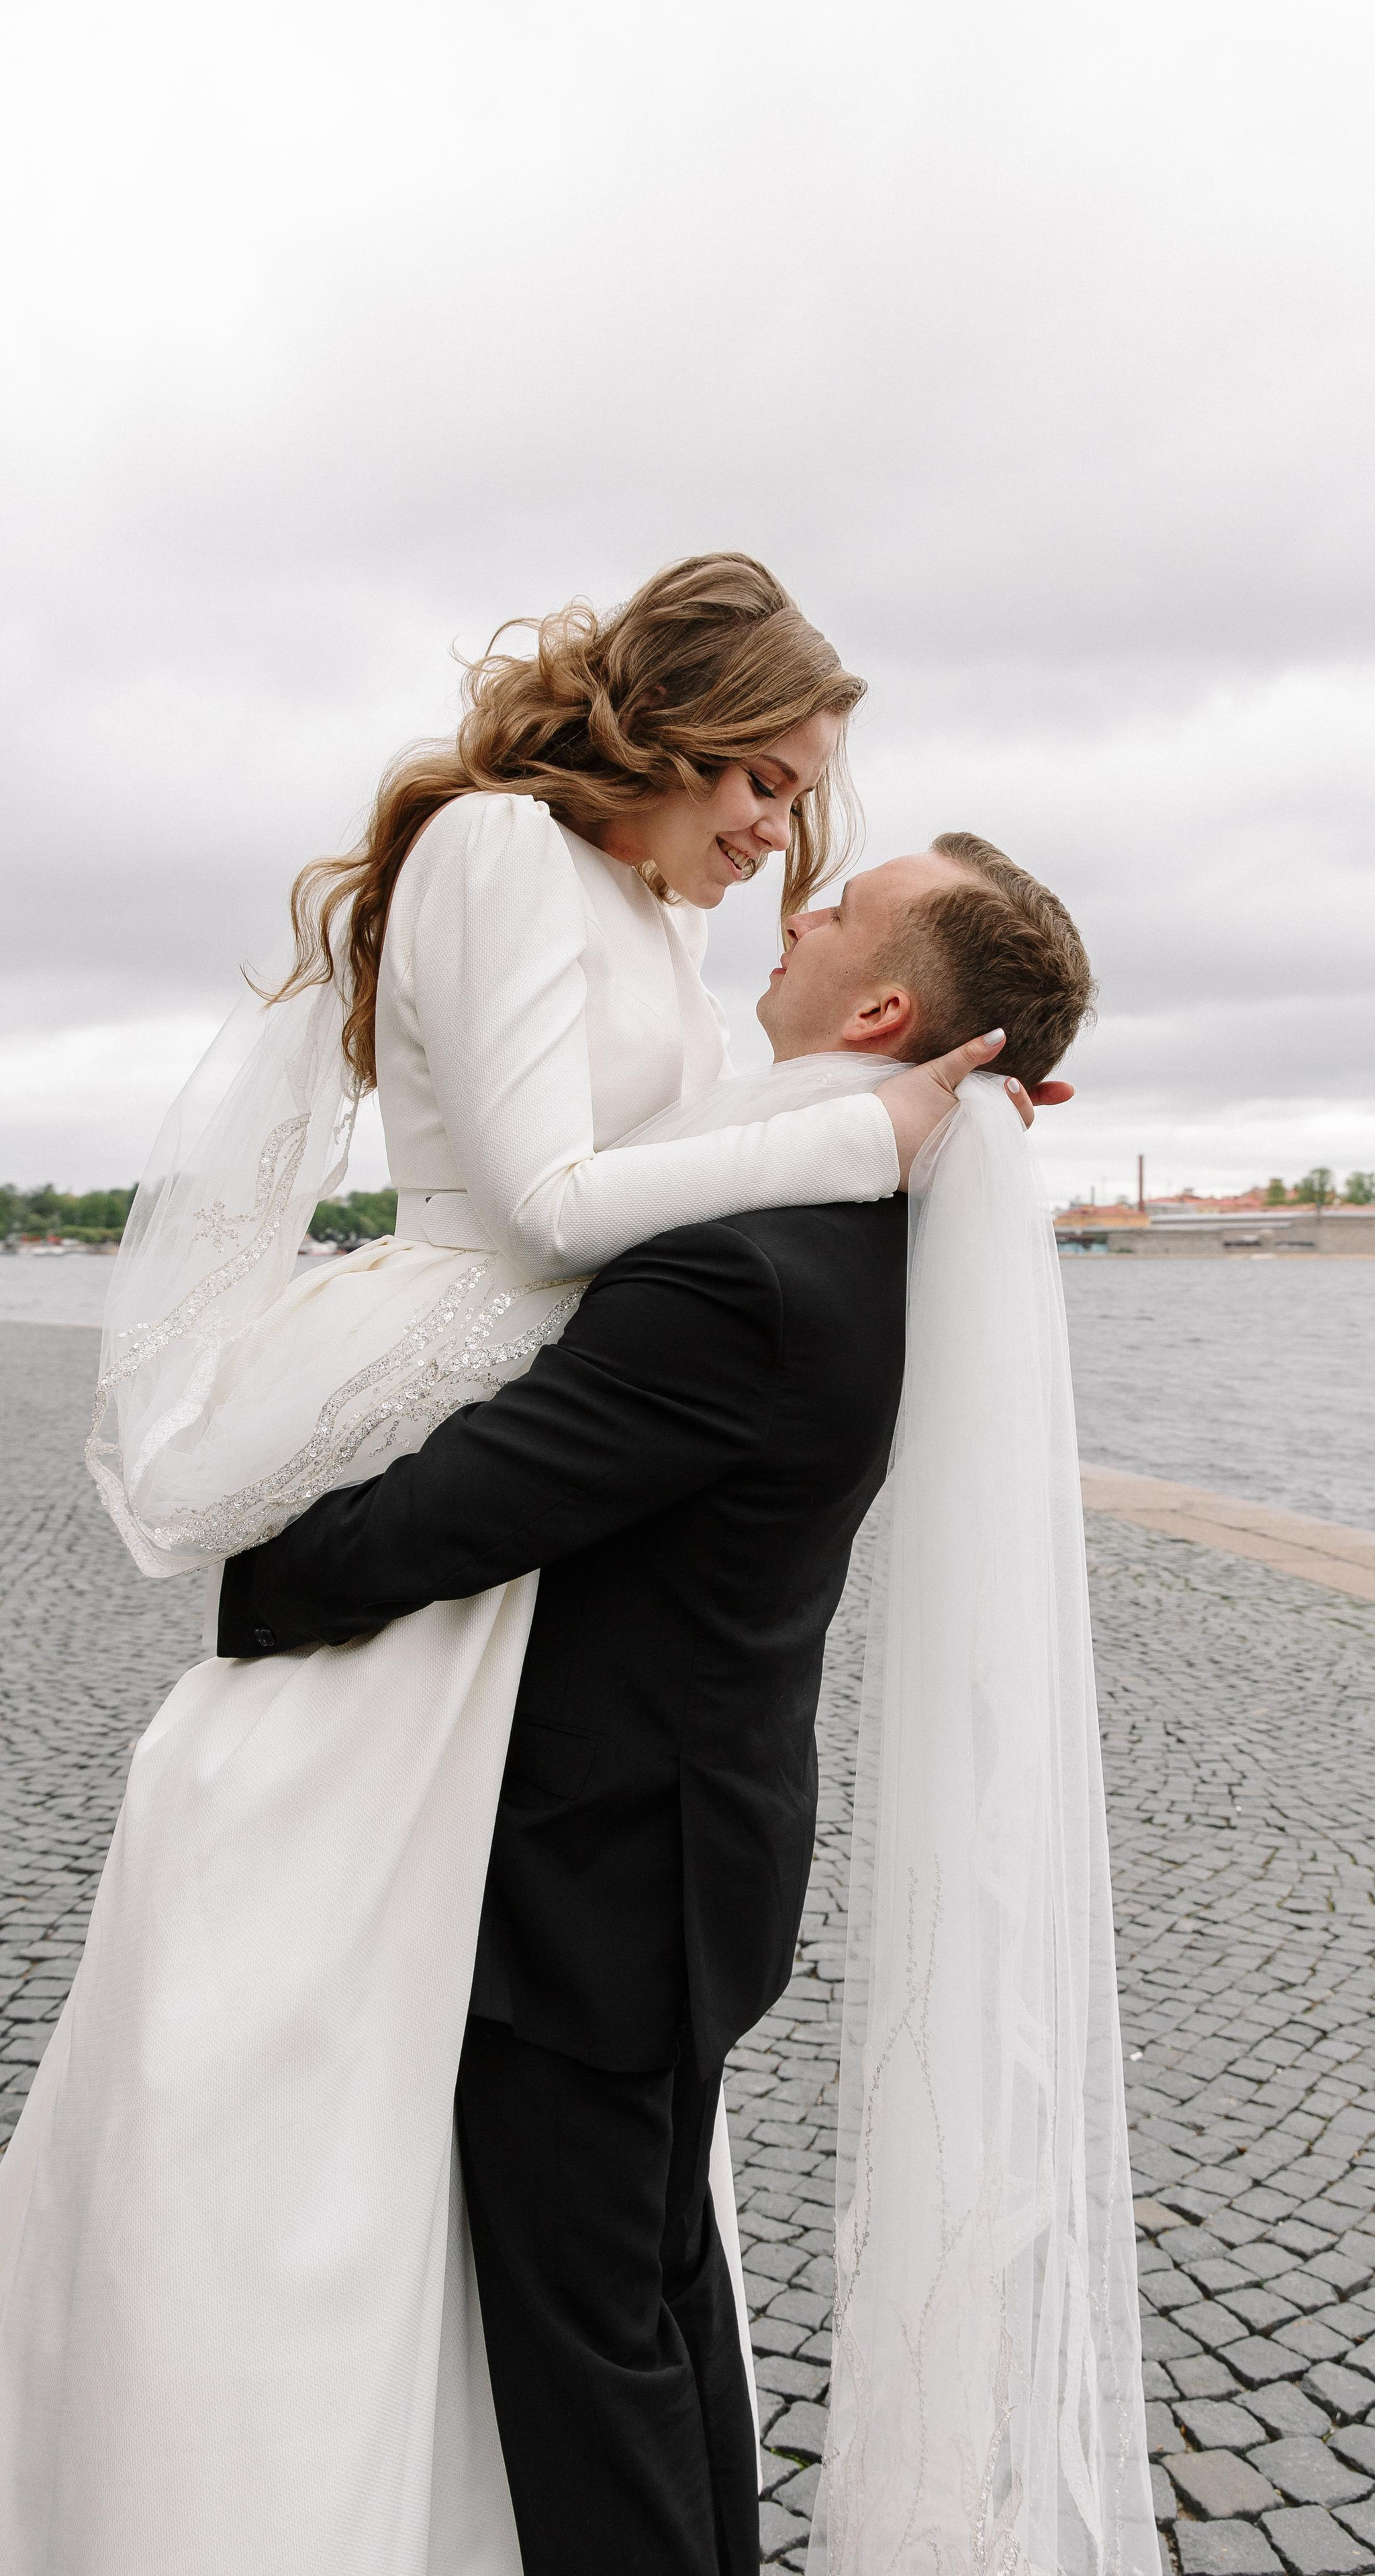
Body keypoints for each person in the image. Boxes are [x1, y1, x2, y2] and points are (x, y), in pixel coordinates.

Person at [210, 834, 1096, 2576]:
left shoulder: (744, 1271)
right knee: (656, 2294)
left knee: (587, 2342)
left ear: (892, 1004)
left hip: (598, 1883)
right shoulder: (845, 1228)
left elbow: (451, 1517)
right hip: (685, 1857)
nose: (798, 904)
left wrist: (257, 1565)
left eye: (842, 909)